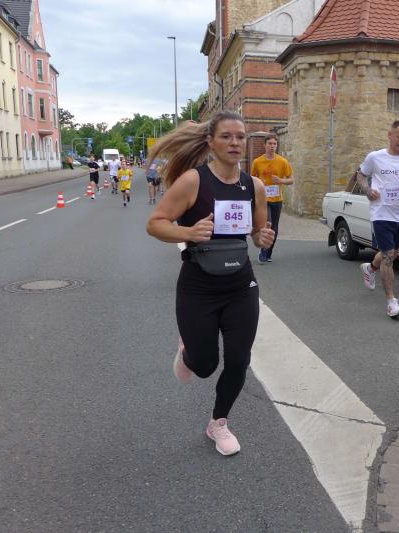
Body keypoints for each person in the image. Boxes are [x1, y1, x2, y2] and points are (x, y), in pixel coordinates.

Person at [145, 111, 275, 456]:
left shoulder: (254, 186)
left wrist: (262, 238)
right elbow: (155, 223)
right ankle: (188, 352)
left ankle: (218, 422)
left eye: (240, 137)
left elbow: (257, 233)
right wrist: (188, 232)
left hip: (240, 284)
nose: (235, 143)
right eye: (226, 136)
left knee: (238, 359)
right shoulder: (193, 181)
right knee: (204, 366)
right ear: (210, 142)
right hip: (198, 286)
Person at [356, 120, 399, 318]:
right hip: (381, 213)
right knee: (388, 257)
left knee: (392, 253)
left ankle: (370, 268)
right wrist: (368, 191)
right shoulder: (375, 157)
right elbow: (360, 175)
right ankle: (391, 302)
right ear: (389, 135)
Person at [250, 133, 294, 263]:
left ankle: (268, 253)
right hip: (263, 199)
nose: (272, 146)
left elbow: (291, 180)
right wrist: (259, 181)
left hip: (277, 199)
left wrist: (281, 180)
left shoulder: (282, 161)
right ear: (264, 145)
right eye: (270, 143)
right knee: (267, 224)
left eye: (274, 144)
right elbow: (251, 179)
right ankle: (263, 252)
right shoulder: (257, 162)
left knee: (274, 228)